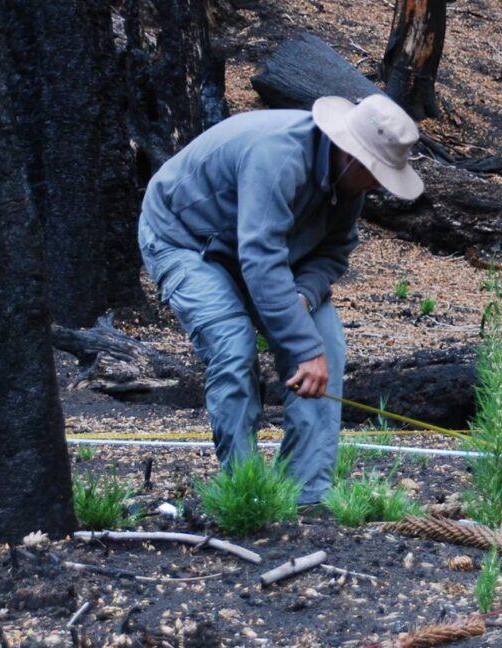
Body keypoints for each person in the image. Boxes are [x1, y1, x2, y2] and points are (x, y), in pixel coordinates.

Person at [137, 94, 424, 515]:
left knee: (327, 347)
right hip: (186, 239)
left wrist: (304, 296)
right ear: (351, 155)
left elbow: (333, 253)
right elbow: (260, 259)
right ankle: (246, 495)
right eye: (377, 173)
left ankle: (306, 493)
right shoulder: (277, 156)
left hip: (259, 253)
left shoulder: (349, 183)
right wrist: (302, 347)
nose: (379, 185)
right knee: (234, 347)